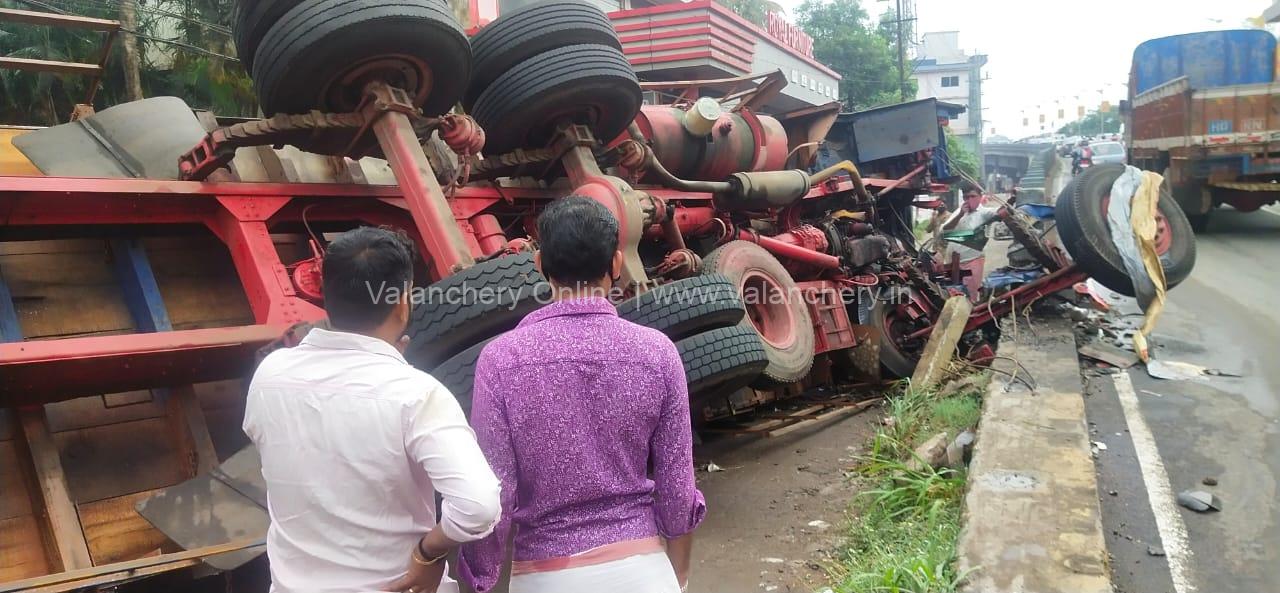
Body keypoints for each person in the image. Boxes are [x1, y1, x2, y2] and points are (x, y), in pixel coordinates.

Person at [460, 196, 705, 593]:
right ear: (615, 264)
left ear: (540, 266)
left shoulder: (500, 360)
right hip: (643, 572)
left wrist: (480, 580)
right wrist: (677, 576)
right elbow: (677, 491)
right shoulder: (657, 353)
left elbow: (496, 496)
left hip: (544, 574)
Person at [244, 227, 501, 593]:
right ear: (402, 304)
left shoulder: (269, 377)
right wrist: (427, 554)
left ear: (324, 295)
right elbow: (479, 506)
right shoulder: (416, 394)